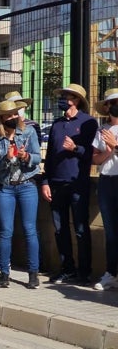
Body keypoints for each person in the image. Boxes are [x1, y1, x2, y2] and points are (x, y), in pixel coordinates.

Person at [41, 83, 98, 285]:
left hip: (77, 184)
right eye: (62, 96)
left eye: (66, 96)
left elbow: (93, 154)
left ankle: (84, 272)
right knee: (59, 229)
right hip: (56, 184)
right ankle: (67, 269)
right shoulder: (56, 124)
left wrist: (76, 148)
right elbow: (48, 156)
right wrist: (45, 182)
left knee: (81, 229)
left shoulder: (88, 123)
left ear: (76, 100)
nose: (62, 99)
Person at [0, 100, 42, 289]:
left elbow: (37, 157)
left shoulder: (28, 132)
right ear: (1, 118)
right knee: (5, 231)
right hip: (5, 188)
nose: (12, 117)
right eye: (7, 115)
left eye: (14, 114)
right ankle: (4, 273)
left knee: (30, 230)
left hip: (27, 185)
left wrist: (25, 157)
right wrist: (6, 158)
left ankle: (33, 273)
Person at [91, 89, 118, 290]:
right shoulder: (102, 130)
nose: (114, 105)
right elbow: (95, 159)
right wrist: (108, 151)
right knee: (110, 232)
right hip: (107, 181)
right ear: (106, 107)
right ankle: (111, 273)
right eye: (111, 103)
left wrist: (115, 146)